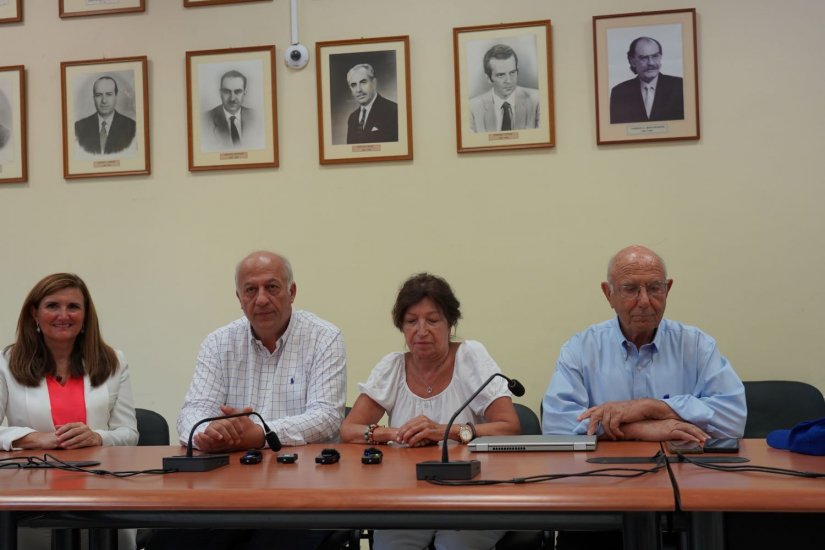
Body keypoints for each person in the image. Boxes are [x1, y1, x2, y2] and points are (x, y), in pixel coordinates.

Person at [542, 245, 746, 550]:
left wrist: (651, 407)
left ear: (668, 289)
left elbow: (732, 418)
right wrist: (645, 429)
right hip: (601, 500)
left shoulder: (697, 345)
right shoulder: (581, 348)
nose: (644, 301)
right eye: (630, 289)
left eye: (654, 288)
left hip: (685, 503)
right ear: (608, 294)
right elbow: (556, 426)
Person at [147, 251, 346, 550]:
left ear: (292, 292)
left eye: (272, 287)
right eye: (251, 290)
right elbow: (192, 411)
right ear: (239, 298)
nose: (261, 299)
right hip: (228, 493)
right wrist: (209, 433)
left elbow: (327, 416)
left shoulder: (324, 337)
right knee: (167, 541)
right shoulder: (218, 343)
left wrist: (260, 434)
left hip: (303, 491)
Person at [341, 272, 520, 550]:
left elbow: (509, 427)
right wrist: (398, 434)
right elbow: (349, 430)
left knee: (454, 545)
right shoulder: (393, 367)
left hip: (474, 494)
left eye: (432, 320)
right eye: (411, 321)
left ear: (450, 323)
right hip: (408, 496)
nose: (421, 330)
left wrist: (444, 432)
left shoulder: (470, 357)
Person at [0, 273, 138, 550]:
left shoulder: (113, 361)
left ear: (85, 315)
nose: (63, 315)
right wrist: (32, 438)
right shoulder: (7, 362)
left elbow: (129, 433)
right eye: (52, 305)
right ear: (34, 313)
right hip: (32, 498)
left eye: (73, 306)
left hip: (101, 494)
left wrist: (98, 437)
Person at [609, 37, 684, 124]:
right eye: (643, 58)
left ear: (660, 57)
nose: (651, 63)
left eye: (655, 56)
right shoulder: (619, 92)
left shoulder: (680, 86)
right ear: (632, 61)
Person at [469, 44, 540, 133]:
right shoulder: (472, 108)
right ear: (488, 78)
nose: (509, 81)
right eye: (501, 75)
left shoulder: (537, 100)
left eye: (512, 72)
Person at [74, 76, 136, 155]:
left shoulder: (132, 127)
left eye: (109, 94)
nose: (104, 100)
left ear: (116, 96)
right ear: (94, 98)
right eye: (98, 95)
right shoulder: (78, 128)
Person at [202, 69, 261, 150]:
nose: (232, 98)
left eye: (238, 91)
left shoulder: (257, 117)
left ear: (244, 93)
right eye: (226, 92)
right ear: (220, 93)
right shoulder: (205, 120)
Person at [345, 63, 398, 144]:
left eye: (363, 82)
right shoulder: (352, 118)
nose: (358, 90)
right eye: (353, 85)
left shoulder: (394, 111)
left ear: (374, 83)